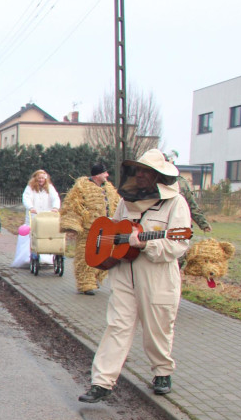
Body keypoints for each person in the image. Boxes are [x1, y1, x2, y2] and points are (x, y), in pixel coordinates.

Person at [78, 149, 191, 403]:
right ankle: (101, 382)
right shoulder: (126, 200)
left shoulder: (175, 203)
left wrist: (146, 245)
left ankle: (162, 372)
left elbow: (178, 244)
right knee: (117, 325)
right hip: (123, 271)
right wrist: (112, 245)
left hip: (157, 274)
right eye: (138, 170)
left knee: (157, 326)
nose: (140, 175)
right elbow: (112, 229)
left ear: (157, 175)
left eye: (145, 171)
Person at [59, 161, 120, 295]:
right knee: (85, 255)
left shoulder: (109, 188)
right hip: (88, 229)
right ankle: (85, 284)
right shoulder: (82, 187)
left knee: (104, 254)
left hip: (106, 229)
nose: (107, 175)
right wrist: (72, 224)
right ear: (98, 175)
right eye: (105, 173)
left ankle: (95, 278)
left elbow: (117, 204)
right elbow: (73, 205)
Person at [11, 169, 61, 268]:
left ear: (45, 179)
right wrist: (30, 207)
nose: (41, 180)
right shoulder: (30, 188)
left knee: (45, 236)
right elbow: (26, 198)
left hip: (46, 217)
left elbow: (55, 197)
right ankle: (27, 258)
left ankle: (46, 258)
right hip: (33, 216)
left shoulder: (50, 188)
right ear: (35, 179)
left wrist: (55, 207)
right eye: (39, 178)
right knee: (32, 236)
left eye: (43, 178)